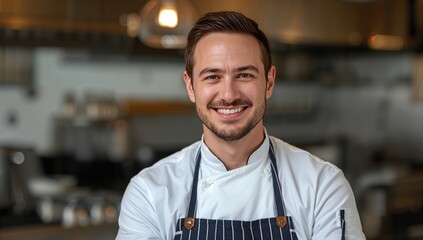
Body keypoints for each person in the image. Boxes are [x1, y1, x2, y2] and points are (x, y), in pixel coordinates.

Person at [116, 11, 365, 240]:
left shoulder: (322, 185)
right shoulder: (150, 192)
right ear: (190, 86)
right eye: (212, 76)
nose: (229, 94)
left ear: (269, 82)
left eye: (244, 75)